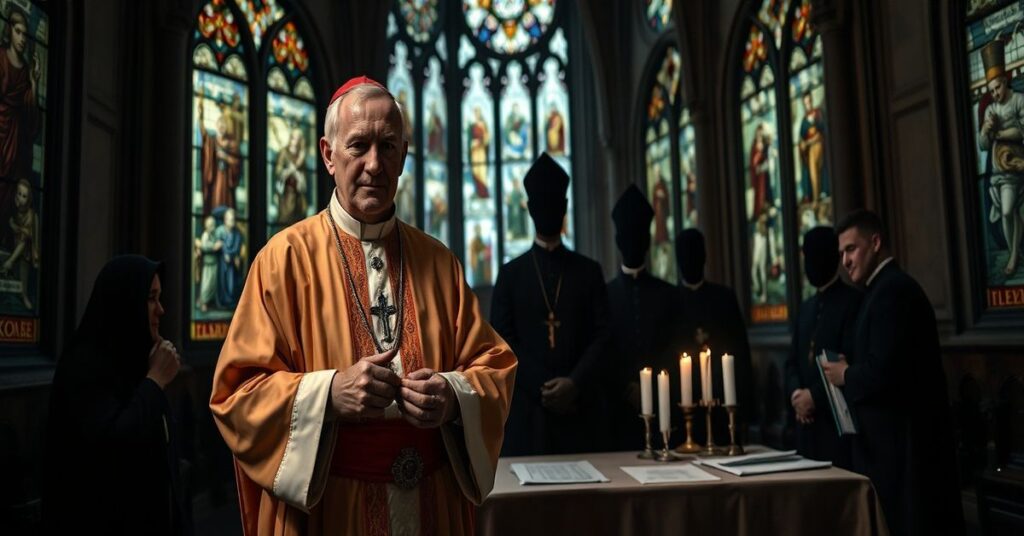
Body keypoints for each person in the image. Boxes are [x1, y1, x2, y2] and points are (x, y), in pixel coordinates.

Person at [210, 76, 516, 535]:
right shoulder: (284, 260)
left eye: (388, 146)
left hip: (433, 503)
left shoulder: (439, 262)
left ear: (404, 156)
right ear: (328, 154)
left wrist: (452, 397)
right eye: (359, 145)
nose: (375, 164)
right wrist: (328, 394)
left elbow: (494, 368)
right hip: (332, 510)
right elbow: (236, 395)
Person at [823, 209, 963, 536]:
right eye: (841, 253)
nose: (844, 261)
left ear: (875, 242)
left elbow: (888, 373)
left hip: (906, 454)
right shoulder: (880, 291)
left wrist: (846, 374)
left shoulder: (893, 291)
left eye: (851, 249)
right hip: (893, 450)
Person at [43, 255, 189, 535]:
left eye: (159, 298)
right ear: (125, 304)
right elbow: (114, 446)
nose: (161, 309)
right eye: (151, 298)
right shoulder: (84, 366)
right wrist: (154, 381)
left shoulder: (136, 360)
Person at [491, 153, 610, 455]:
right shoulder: (510, 275)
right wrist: (543, 385)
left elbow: (603, 335)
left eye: (555, 204)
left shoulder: (588, 271)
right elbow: (501, 342)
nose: (549, 211)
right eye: (542, 205)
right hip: (528, 416)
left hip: (582, 413)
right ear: (530, 210)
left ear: (565, 208)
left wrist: (574, 383)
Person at [605, 184, 680, 450]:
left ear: (648, 242)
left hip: (666, 408)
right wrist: (627, 387)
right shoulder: (604, 295)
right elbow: (602, 351)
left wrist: (652, 384)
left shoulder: (669, 295)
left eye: (639, 237)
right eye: (627, 237)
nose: (633, 243)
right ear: (618, 242)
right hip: (617, 412)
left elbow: (676, 348)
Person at [784, 227, 860, 468]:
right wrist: (797, 394)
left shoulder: (852, 303)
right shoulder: (806, 308)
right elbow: (792, 362)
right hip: (804, 428)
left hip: (835, 429)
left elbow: (850, 361)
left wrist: (813, 397)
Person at [674, 229, 752, 444]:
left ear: (704, 257)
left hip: (722, 406)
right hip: (683, 411)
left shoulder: (724, 299)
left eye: (696, 253)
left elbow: (741, 355)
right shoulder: (670, 301)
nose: (691, 260)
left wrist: (745, 411)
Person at [978, 39, 1024, 276]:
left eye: (998, 87)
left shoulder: (1018, 100)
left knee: (1008, 211)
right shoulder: (990, 110)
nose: (995, 93)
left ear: (1005, 82)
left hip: (1015, 167)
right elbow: (983, 145)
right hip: (998, 171)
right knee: (1012, 213)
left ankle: (1013, 255)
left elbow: (1022, 131)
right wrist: (986, 131)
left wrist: (1000, 133)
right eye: (991, 90)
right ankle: (1014, 251)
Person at [199, 95, 242, 217]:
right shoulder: (212, 141)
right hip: (216, 177)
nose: (221, 127)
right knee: (215, 203)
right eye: (219, 125)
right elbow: (204, 135)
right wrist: (201, 117)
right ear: (216, 127)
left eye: (224, 125)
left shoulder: (232, 143)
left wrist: (225, 157)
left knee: (227, 206)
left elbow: (237, 162)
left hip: (227, 180)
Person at [0, 177, 38, 310]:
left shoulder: (30, 215)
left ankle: (24, 296)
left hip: (25, 253)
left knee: (22, 288)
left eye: (24, 196)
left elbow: (26, 237)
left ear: (29, 199)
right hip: (12, 246)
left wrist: (16, 228)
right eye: (19, 194)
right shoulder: (13, 208)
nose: (21, 198)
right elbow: (9, 223)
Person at [273, 127, 309, 226]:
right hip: (286, 192)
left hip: (297, 193)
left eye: (298, 139)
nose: (295, 141)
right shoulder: (284, 153)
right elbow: (278, 170)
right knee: (285, 219)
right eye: (294, 138)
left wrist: (298, 174)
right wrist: (288, 171)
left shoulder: (301, 158)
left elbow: (304, 177)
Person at [797, 92, 827, 206]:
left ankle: (822, 192)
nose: (808, 105)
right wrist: (803, 144)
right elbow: (801, 138)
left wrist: (813, 138)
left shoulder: (818, 113)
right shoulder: (804, 120)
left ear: (811, 101)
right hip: (810, 150)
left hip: (820, 146)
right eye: (805, 103)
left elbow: (822, 129)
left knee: (820, 169)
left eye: (809, 102)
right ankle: (815, 197)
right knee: (812, 171)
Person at [214, 206, 244, 309]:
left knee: (231, 284)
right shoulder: (219, 231)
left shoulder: (238, 234)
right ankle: (222, 301)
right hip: (221, 262)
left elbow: (236, 247)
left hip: (232, 263)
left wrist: (229, 254)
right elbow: (217, 244)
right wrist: (224, 252)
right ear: (225, 220)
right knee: (222, 281)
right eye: (231, 219)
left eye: (234, 219)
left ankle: (231, 301)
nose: (233, 221)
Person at [193, 214, 221, 313]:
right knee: (206, 284)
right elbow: (204, 245)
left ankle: (207, 302)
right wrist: (214, 246)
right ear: (206, 226)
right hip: (208, 264)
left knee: (212, 285)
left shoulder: (213, 234)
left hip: (214, 262)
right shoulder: (205, 235)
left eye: (213, 224)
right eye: (210, 225)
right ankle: (203, 302)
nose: (212, 227)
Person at [468, 106, 490, 199]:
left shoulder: (484, 125)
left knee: (482, 172)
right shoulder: (472, 126)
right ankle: (477, 192)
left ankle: (483, 193)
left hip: (481, 152)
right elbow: (469, 139)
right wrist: (471, 143)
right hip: (474, 152)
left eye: (478, 112)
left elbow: (487, 138)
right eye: (475, 113)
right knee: (475, 171)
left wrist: (480, 142)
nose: (477, 114)